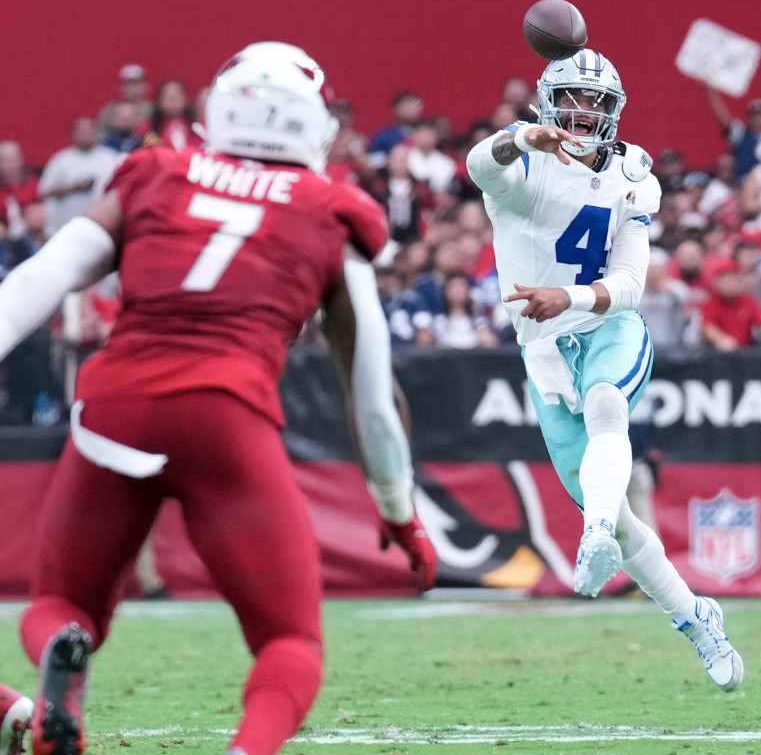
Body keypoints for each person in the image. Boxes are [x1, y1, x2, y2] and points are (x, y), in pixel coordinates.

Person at [0, 42, 437, 755]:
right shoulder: (331, 210)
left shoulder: (157, 172)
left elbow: (39, 281)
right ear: (311, 123)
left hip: (115, 405)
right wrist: (398, 509)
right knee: (290, 640)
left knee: (60, 604)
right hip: (226, 416)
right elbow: (373, 391)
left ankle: (66, 658)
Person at [466, 48, 743, 692]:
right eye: (572, 99)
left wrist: (573, 298)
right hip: (542, 351)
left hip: (605, 326)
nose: (584, 112)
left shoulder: (632, 175)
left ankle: (593, 535)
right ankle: (695, 615)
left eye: (597, 102)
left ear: (614, 112)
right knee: (618, 512)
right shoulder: (520, 169)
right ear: (546, 104)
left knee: (606, 407)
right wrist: (516, 139)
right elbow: (480, 165)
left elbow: (630, 282)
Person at [38, 118, 122, 236]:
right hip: (68, 227)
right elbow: (45, 192)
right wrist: (73, 188)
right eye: (81, 132)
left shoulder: (110, 158)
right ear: (73, 135)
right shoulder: (61, 160)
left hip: (104, 228)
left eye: (88, 131)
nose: (85, 135)